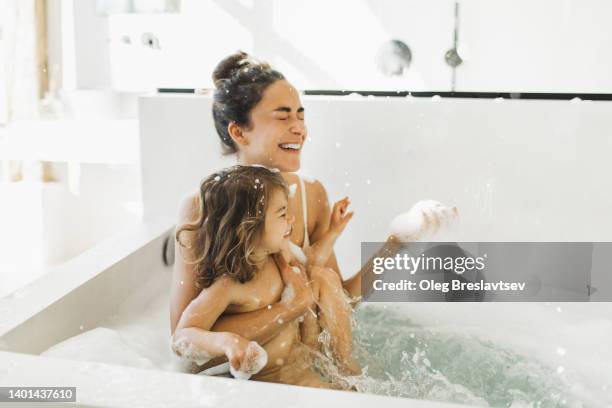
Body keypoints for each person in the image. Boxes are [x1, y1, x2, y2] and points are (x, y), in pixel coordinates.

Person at [171, 165, 357, 386]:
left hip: (303, 374)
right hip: (269, 387)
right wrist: (226, 342)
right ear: (248, 227)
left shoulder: (279, 255)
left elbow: (312, 263)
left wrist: (333, 232)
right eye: (282, 214)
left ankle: (348, 369)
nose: (291, 220)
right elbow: (182, 336)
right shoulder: (229, 285)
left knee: (324, 277)